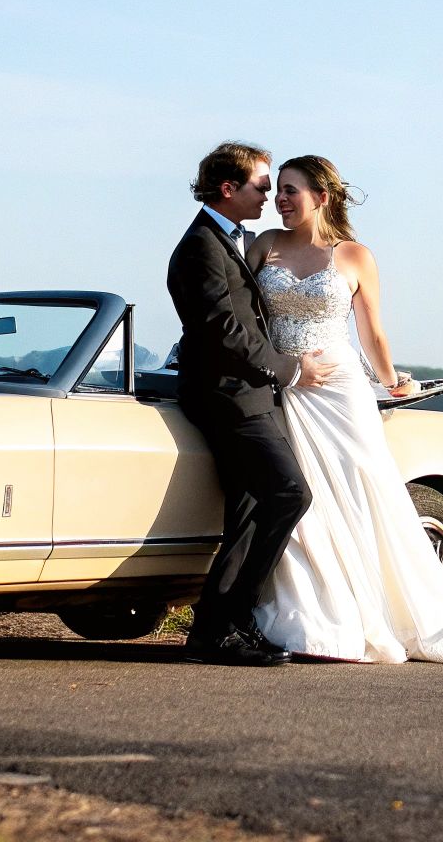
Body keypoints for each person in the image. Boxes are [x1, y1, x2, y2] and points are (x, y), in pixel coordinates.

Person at [245, 155, 443, 665]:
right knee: (305, 502)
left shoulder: (354, 256)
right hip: (285, 386)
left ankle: (384, 609)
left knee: (360, 494)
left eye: (290, 191)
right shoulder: (263, 247)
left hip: (339, 389)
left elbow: (372, 331)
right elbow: (243, 320)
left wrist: (390, 379)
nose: (280, 200)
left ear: (321, 197)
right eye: (278, 190)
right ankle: (315, 616)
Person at [167, 141, 336, 666]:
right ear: (228, 188)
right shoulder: (200, 246)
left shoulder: (228, 241)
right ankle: (229, 621)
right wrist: (290, 369)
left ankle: (217, 632)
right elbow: (223, 330)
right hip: (229, 398)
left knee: (247, 513)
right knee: (290, 494)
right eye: (262, 185)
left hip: (250, 395)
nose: (269, 195)